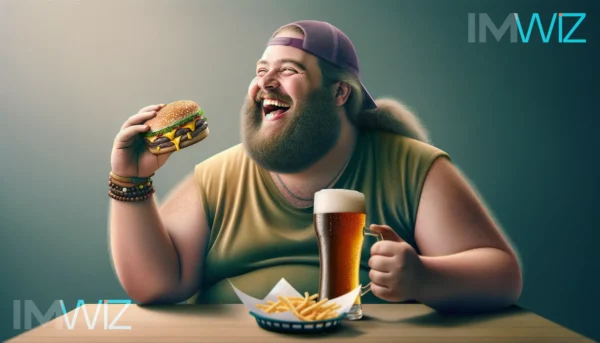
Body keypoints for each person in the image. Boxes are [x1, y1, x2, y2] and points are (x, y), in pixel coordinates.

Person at [108, 20, 522, 314]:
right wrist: (131, 178)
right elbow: (156, 286)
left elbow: (501, 276)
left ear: (339, 92)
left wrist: (425, 278)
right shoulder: (219, 175)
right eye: (260, 71)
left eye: (288, 71)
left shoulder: (410, 165)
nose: (265, 83)